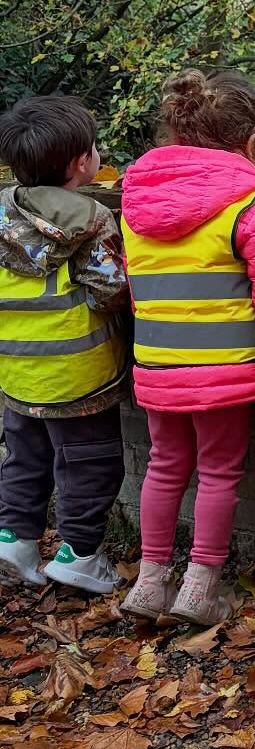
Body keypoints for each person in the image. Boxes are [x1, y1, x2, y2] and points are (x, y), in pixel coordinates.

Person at [120, 70, 255, 626]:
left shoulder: (137, 202)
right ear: (252, 144)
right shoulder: (253, 206)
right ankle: (200, 588)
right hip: (223, 371)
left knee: (164, 465)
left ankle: (150, 583)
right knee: (220, 472)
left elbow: (137, 287)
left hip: (157, 361)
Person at [0, 97, 129, 593]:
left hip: (17, 369)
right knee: (89, 464)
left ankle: (15, 538)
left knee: (24, 455)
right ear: (82, 162)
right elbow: (110, 291)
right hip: (81, 376)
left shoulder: (3, 213)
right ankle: (79, 553)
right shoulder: (92, 220)